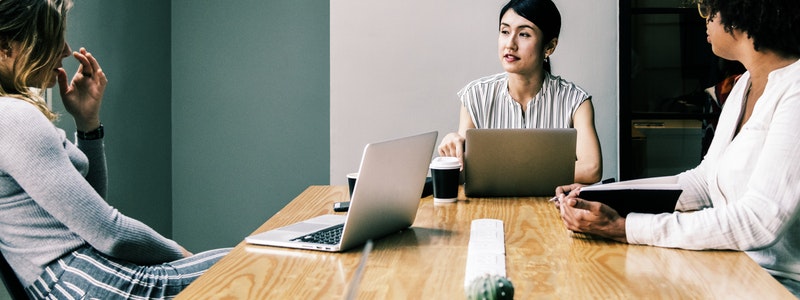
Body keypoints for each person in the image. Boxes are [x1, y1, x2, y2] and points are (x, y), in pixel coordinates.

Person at [556, 0, 800, 296]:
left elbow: (759, 220)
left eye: (707, 9)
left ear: (740, 13)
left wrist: (625, 228)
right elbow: (701, 183)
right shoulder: (745, 84)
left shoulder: (795, 92)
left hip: (777, 286)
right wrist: (595, 195)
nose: (704, 20)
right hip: (730, 268)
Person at [0, 0, 229, 298]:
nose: (66, 50)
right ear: (5, 46)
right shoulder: (14, 116)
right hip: (87, 282)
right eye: (52, 37)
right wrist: (183, 254)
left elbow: (88, 213)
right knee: (260, 264)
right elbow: (109, 232)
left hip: (83, 280)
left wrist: (87, 122)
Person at [437, 0, 603, 184]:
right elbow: (465, 172)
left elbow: (591, 168)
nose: (510, 44)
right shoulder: (475, 96)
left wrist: (504, 172)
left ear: (550, 47)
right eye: (505, 31)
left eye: (524, 34)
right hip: (490, 210)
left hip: (551, 209)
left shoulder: (575, 100)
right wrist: (453, 146)